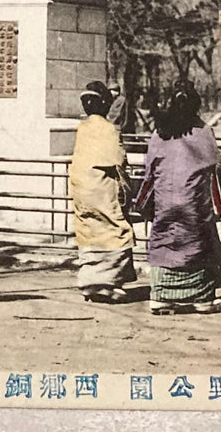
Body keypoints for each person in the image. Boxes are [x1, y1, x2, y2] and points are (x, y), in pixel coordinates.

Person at [133, 87, 221, 315]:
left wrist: (143, 206)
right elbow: (215, 173)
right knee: (201, 239)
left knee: (163, 240)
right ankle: (202, 297)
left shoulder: (159, 133)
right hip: (194, 208)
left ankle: (161, 295)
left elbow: (149, 175)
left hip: (164, 204)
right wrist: (217, 208)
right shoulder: (205, 133)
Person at [68, 81, 135, 303]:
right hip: (102, 187)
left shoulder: (82, 128)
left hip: (81, 188)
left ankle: (89, 281)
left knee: (88, 229)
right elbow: (118, 160)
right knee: (115, 229)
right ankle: (108, 281)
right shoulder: (109, 130)